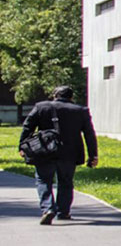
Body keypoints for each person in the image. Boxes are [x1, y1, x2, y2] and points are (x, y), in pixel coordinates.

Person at [19, 85, 98, 225]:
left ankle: (47, 208)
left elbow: (28, 127)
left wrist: (23, 146)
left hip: (44, 151)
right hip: (70, 153)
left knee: (43, 180)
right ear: (71, 97)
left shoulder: (41, 107)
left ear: (54, 95)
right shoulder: (80, 110)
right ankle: (63, 212)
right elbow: (89, 134)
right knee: (66, 182)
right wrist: (93, 155)